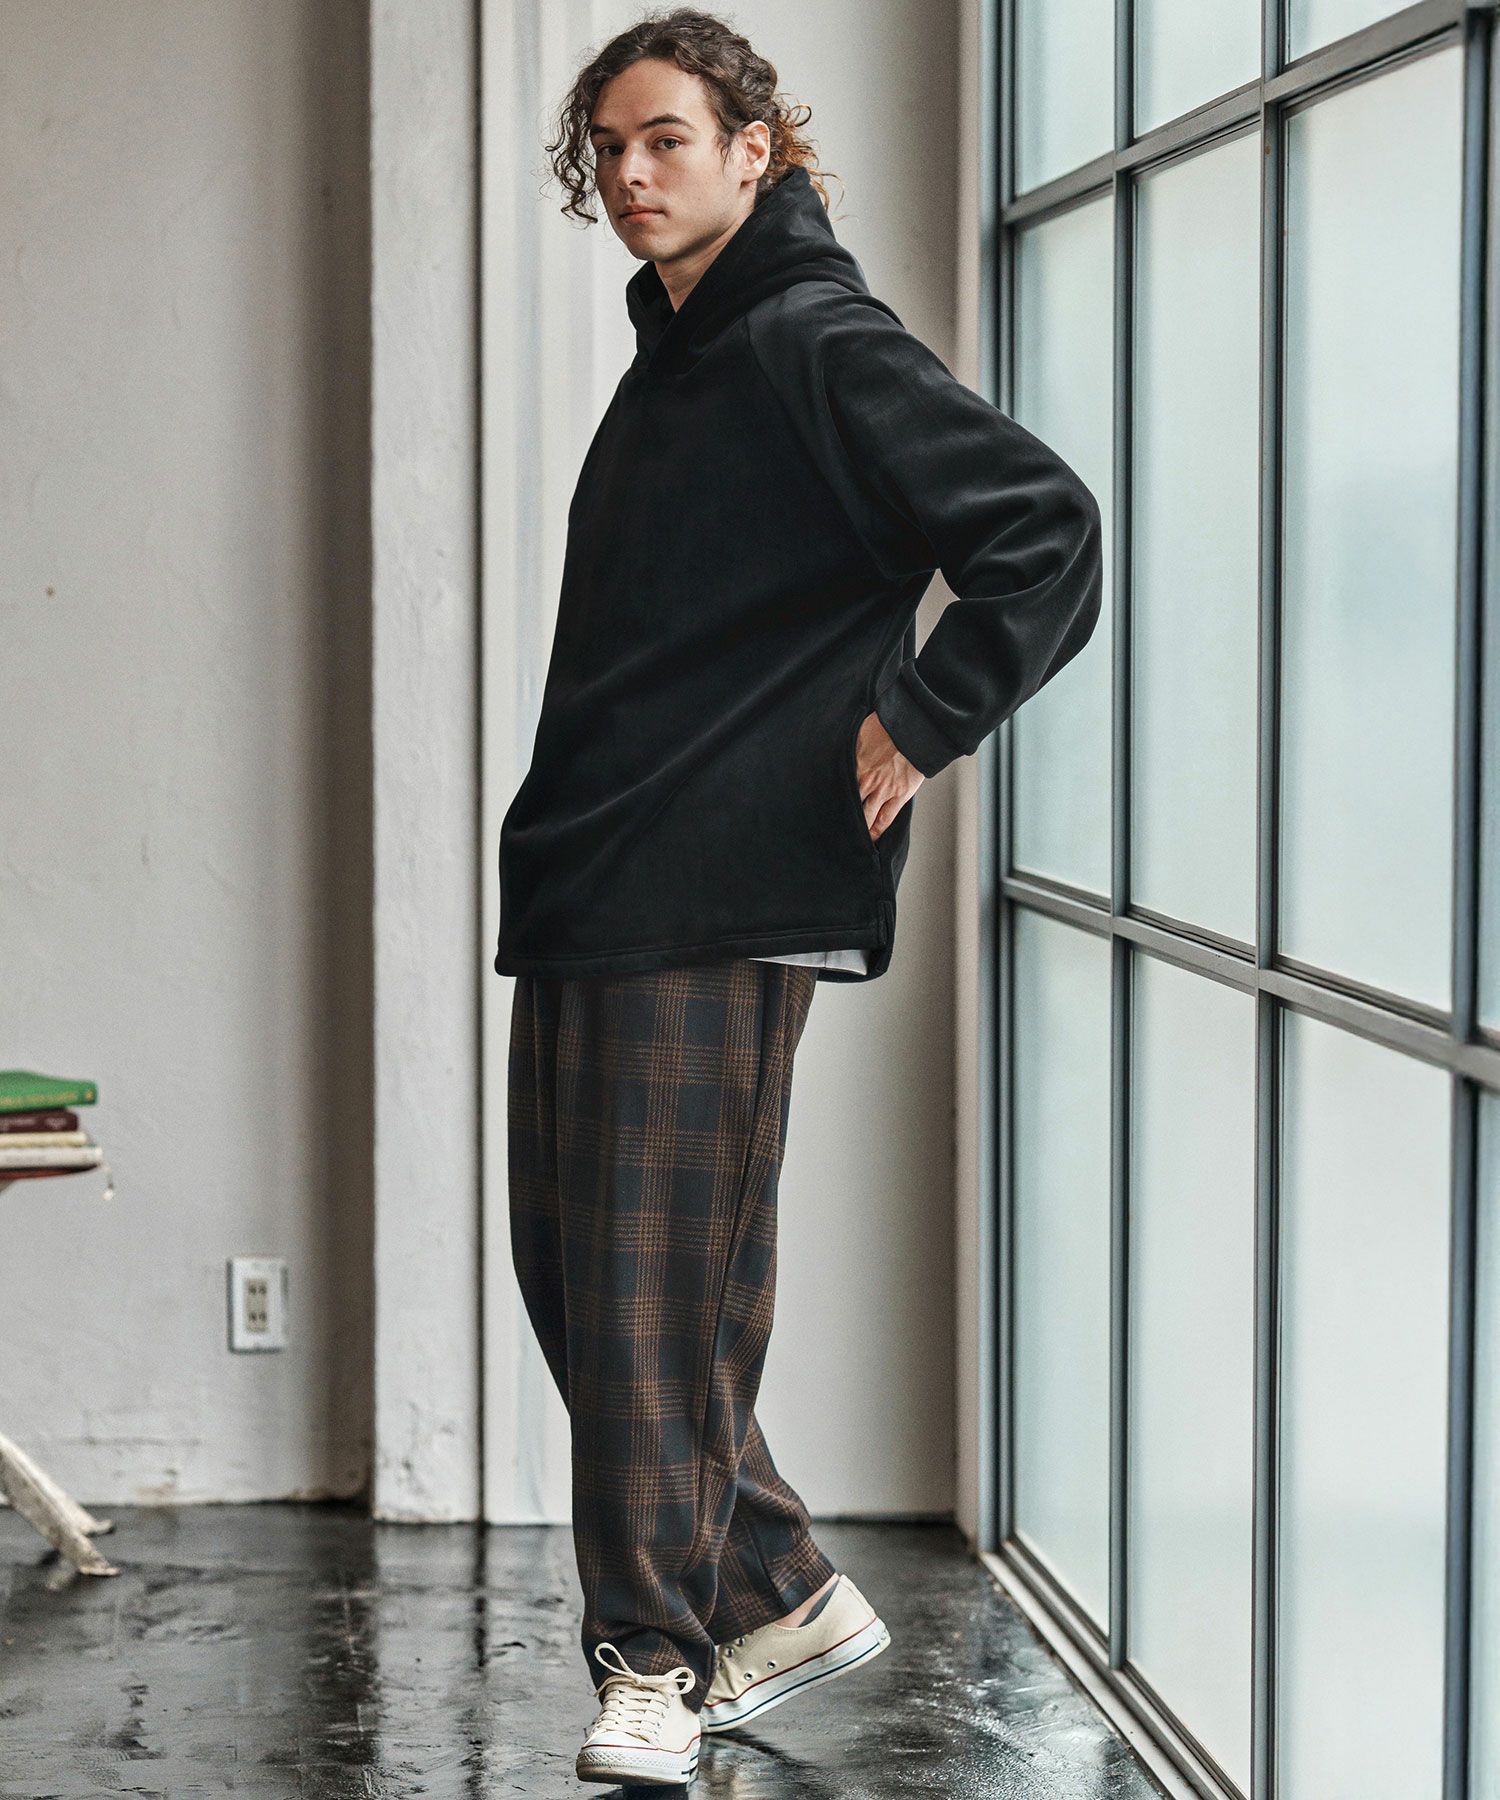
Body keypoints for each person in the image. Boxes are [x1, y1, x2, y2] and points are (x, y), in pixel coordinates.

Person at [495, 8, 1104, 1787]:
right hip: (605, 869)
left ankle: (657, 1662)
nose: (630, 174)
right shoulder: (684, 351)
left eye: (667, 139)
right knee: (582, 1277)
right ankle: (777, 1588)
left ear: (754, 150)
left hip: (728, 881)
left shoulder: (811, 337)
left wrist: (924, 715)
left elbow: (1044, 527)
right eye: (609, 147)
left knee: (658, 1291)